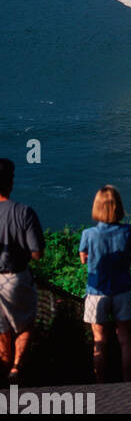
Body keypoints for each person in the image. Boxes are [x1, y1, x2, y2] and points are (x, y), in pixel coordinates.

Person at [78, 185, 131, 383]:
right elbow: (129, 255)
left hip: (97, 290)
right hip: (122, 288)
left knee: (99, 341)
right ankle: (128, 382)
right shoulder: (128, 231)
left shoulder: (89, 234)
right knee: (125, 340)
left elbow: (83, 260)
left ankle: (101, 384)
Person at [0, 157, 44, 384]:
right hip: (16, 277)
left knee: (2, 332)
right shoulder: (24, 212)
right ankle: (16, 369)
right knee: (26, 326)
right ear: (11, 182)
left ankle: (4, 372)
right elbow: (37, 253)